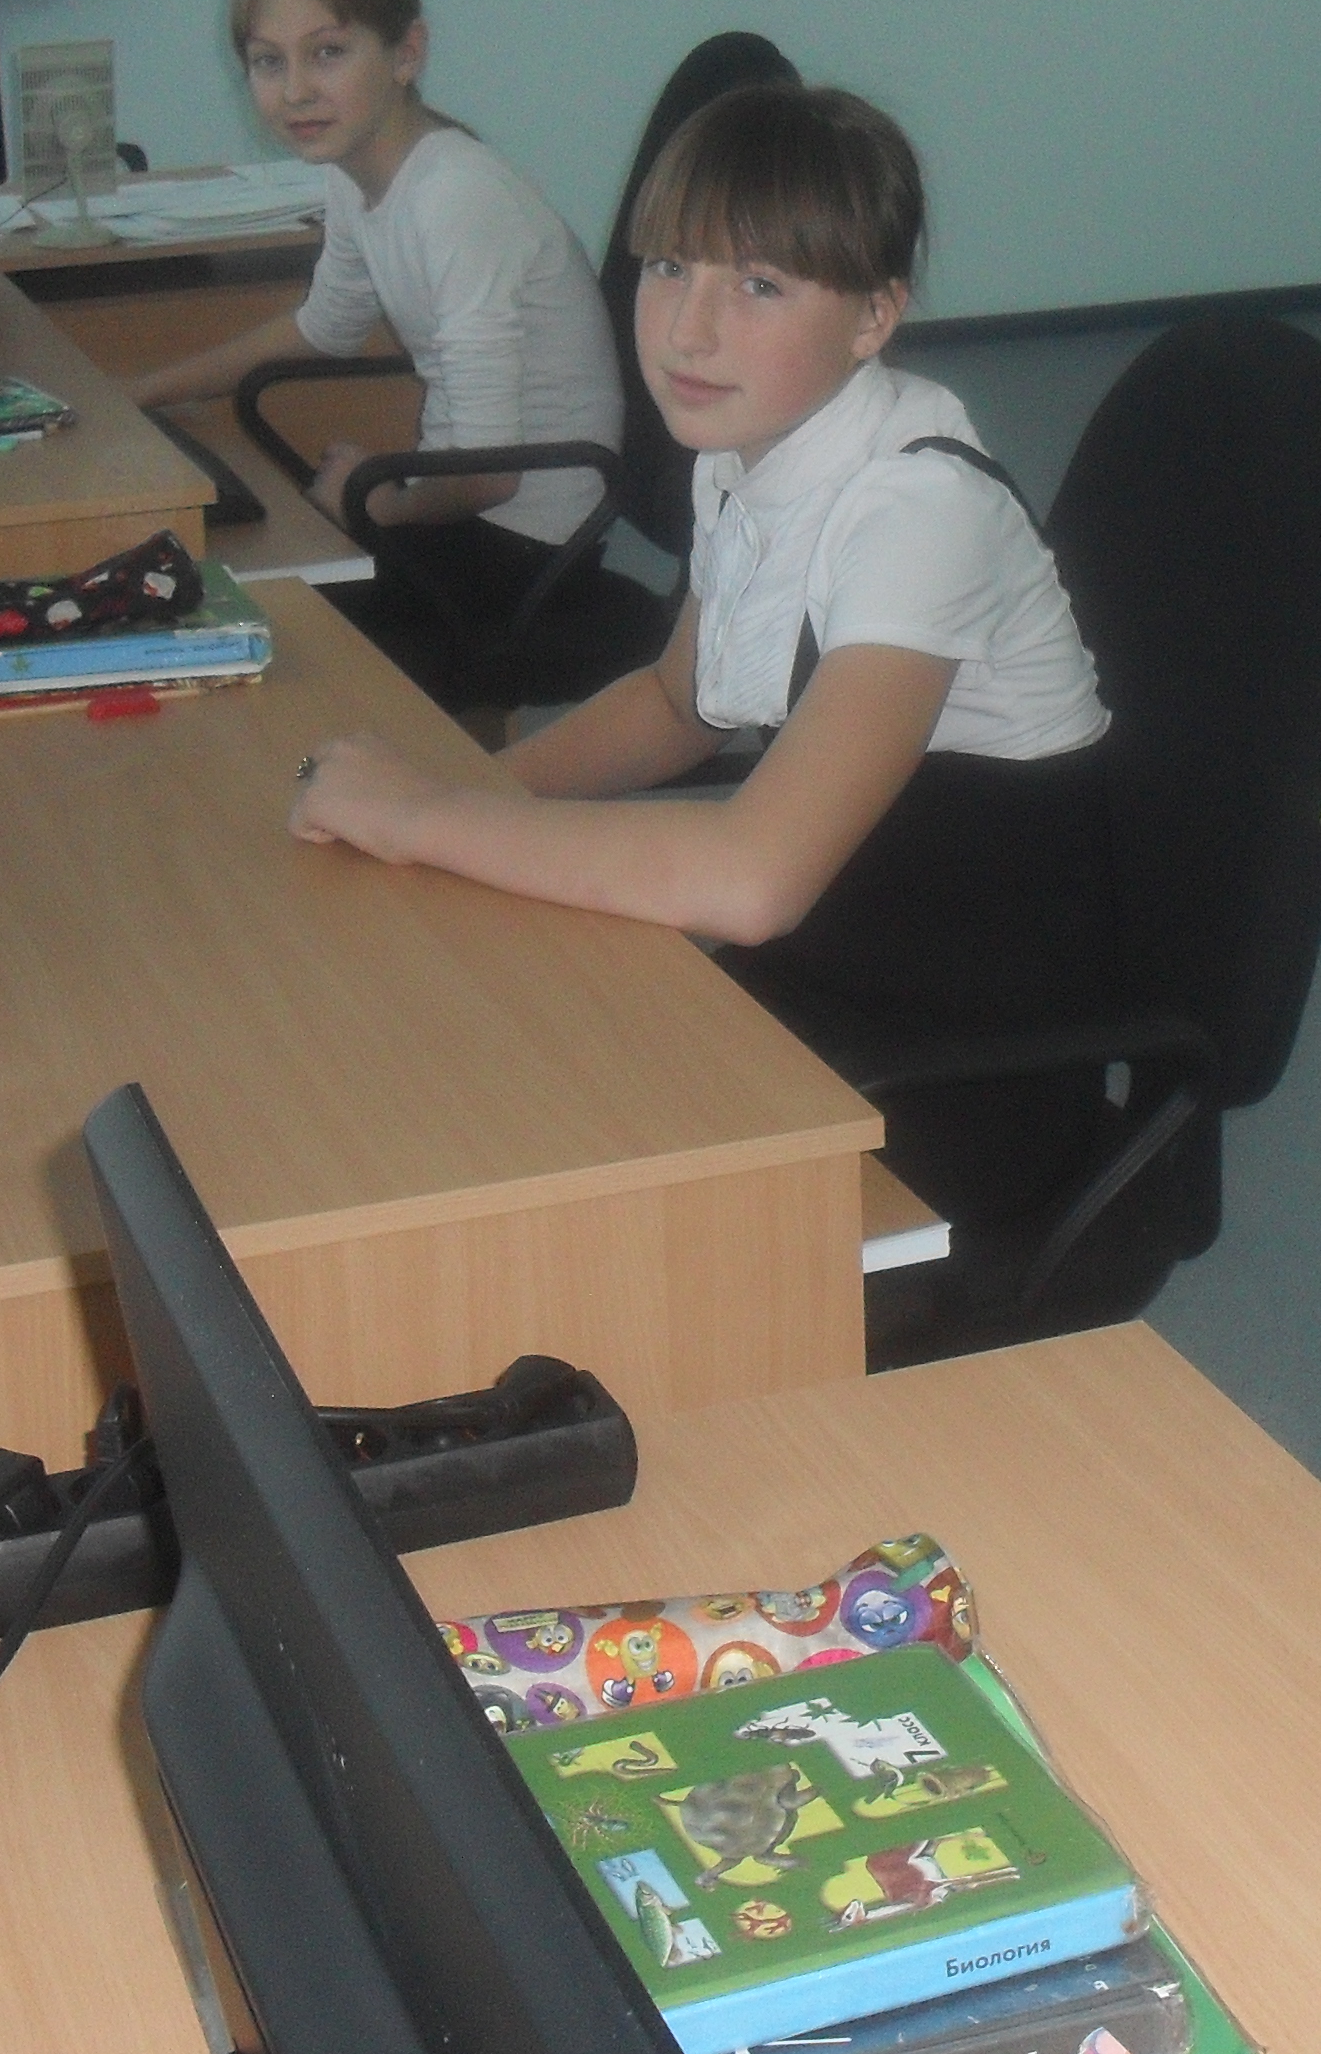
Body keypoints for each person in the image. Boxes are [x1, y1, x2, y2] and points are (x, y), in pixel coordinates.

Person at [287, 81, 1114, 1225]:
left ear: (873, 318)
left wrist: (429, 821)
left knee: (496, 1149)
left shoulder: (917, 512)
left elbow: (752, 882)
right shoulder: (749, 446)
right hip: (840, 947)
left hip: (957, 1051)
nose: (687, 329)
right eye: (671, 267)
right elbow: (680, 705)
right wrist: (470, 795)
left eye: (759, 286)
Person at [131, 0, 623, 683]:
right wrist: (144, 392)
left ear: (406, 53)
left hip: (525, 550)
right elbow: (324, 328)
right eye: (268, 62)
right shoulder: (355, 171)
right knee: (214, 577)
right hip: (462, 512)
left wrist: (373, 500)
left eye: (328, 52)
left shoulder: (454, 196)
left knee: (234, 627)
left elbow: (491, 476)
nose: (296, 91)